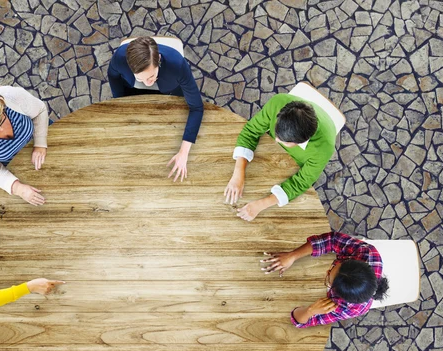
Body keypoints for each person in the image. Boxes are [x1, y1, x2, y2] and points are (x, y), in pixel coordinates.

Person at [224, 93, 337, 221]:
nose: (276, 140)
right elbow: (251, 131)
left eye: (283, 141)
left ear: (300, 142)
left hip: (291, 167)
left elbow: (301, 182)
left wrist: (261, 204)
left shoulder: (324, 148)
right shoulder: (278, 102)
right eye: (276, 133)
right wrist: (238, 173)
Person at [108, 37, 204, 183]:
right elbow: (113, 76)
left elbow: (196, 107)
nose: (147, 83)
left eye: (151, 76)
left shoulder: (177, 65)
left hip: (171, 91)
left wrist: (184, 152)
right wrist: (122, 106)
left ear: (158, 59)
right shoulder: (120, 58)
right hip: (132, 91)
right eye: (141, 78)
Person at [261, 231, 389, 327]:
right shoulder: (368, 254)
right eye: (334, 267)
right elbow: (332, 239)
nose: (328, 270)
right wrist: (292, 256)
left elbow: (299, 322)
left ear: (338, 294)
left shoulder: (344, 308)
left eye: (329, 279)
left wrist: (310, 310)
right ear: (353, 260)